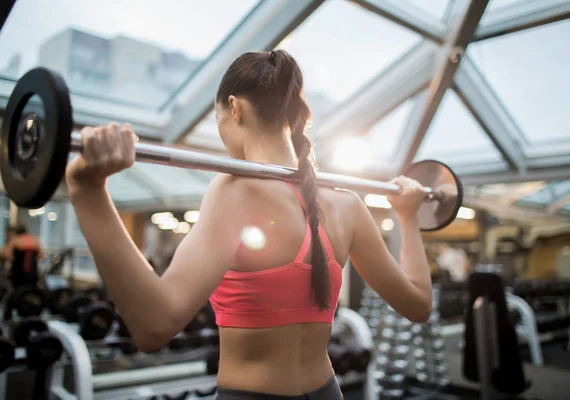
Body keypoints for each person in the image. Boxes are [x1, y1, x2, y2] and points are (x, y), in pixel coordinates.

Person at [65, 49, 432, 399]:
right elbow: (419, 305)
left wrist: (88, 191)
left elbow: (154, 325)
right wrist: (408, 215)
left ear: (235, 109)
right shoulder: (347, 205)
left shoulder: (233, 193)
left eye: (217, 119)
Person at [2, 224, 44, 289]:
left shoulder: (15, 240)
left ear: (16, 232)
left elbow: (7, 255)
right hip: (33, 274)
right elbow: (41, 255)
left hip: (17, 274)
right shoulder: (35, 240)